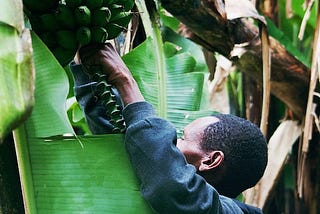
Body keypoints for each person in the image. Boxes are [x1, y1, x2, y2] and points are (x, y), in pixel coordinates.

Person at [70, 43, 268, 214]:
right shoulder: (161, 187)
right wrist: (85, 68)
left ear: (210, 160)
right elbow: (120, 137)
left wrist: (125, 81)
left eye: (183, 136)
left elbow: (172, 184)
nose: (173, 141)